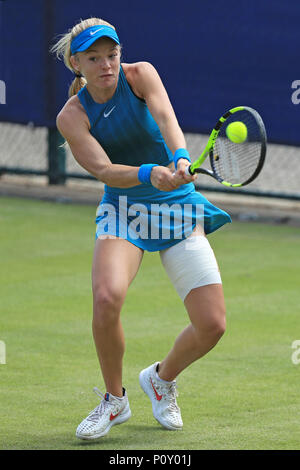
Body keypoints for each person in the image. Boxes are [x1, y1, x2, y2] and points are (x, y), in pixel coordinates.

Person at [51, 17, 231, 440]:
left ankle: (161, 379)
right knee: (107, 296)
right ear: (77, 64)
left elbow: (167, 119)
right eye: (94, 58)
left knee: (213, 325)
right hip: (125, 209)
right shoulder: (72, 117)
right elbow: (104, 169)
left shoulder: (140, 75)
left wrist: (182, 158)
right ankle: (115, 400)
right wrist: (151, 172)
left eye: (111, 55)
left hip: (177, 207)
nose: (106, 65)